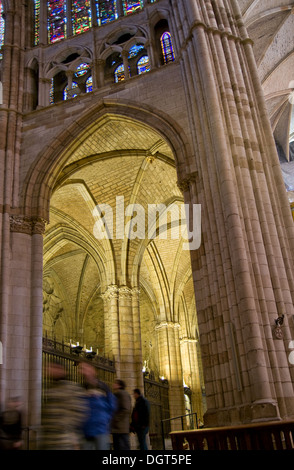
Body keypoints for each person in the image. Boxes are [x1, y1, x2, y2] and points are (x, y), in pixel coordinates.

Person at [40, 360, 87, 450]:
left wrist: (64, 427)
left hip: (64, 440)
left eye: (53, 367)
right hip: (49, 440)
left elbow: (79, 413)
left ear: (62, 370)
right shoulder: (49, 387)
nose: (48, 369)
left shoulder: (73, 388)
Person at [79, 361, 117, 450]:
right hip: (86, 430)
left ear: (93, 370)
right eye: (81, 369)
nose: (83, 371)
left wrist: (104, 420)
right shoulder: (82, 388)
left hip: (100, 429)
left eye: (85, 368)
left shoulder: (103, 387)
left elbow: (112, 405)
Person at [111, 379, 132, 450]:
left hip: (120, 427)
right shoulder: (119, 394)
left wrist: (115, 419)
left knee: (121, 447)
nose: (113, 384)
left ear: (119, 385)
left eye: (115, 383)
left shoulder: (122, 394)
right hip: (119, 428)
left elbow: (125, 409)